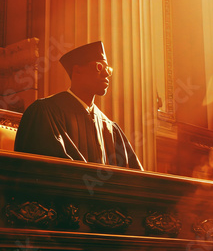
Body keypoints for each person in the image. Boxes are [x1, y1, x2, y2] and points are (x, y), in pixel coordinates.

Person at [14, 41, 143, 170]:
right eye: (99, 67)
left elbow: (135, 176)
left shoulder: (109, 127)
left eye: (108, 69)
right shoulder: (45, 112)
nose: (106, 74)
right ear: (77, 70)